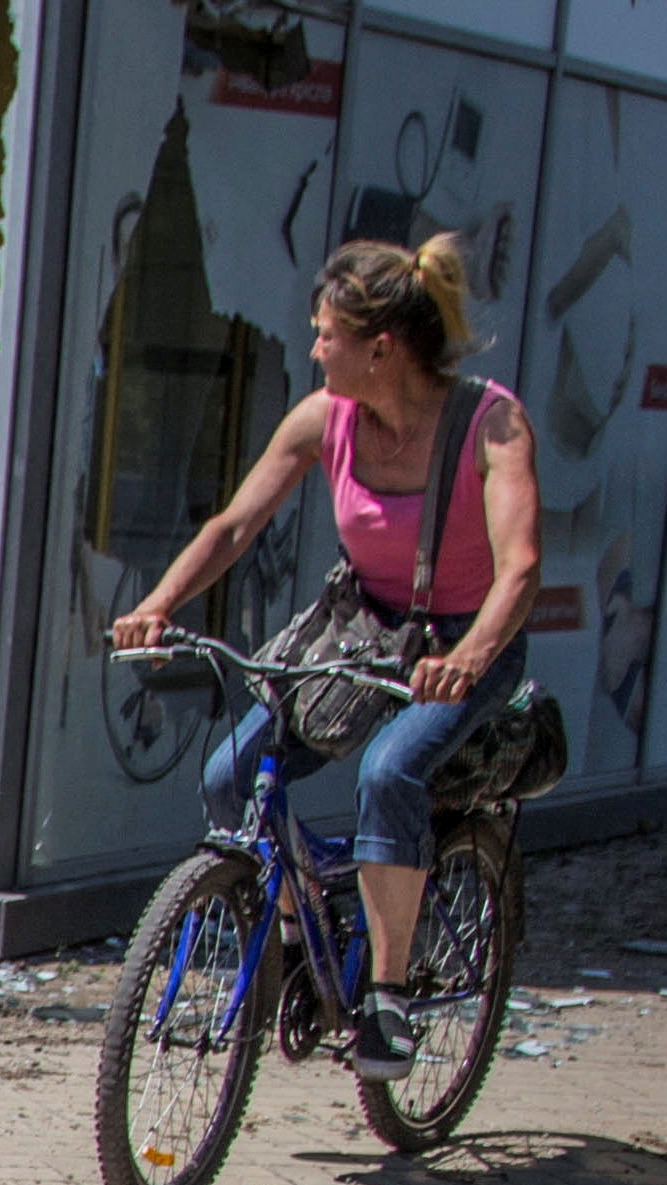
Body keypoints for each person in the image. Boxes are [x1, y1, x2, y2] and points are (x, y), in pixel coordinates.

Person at [109, 235, 541, 1078]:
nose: (313, 350)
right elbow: (233, 526)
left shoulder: (492, 425)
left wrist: (471, 656)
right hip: (365, 631)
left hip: (465, 641)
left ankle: (385, 994)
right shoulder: (323, 420)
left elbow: (520, 567)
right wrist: (159, 604)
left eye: (325, 335)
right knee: (230, 777)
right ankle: (311, 927)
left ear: (380, 348)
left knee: (390, 774)